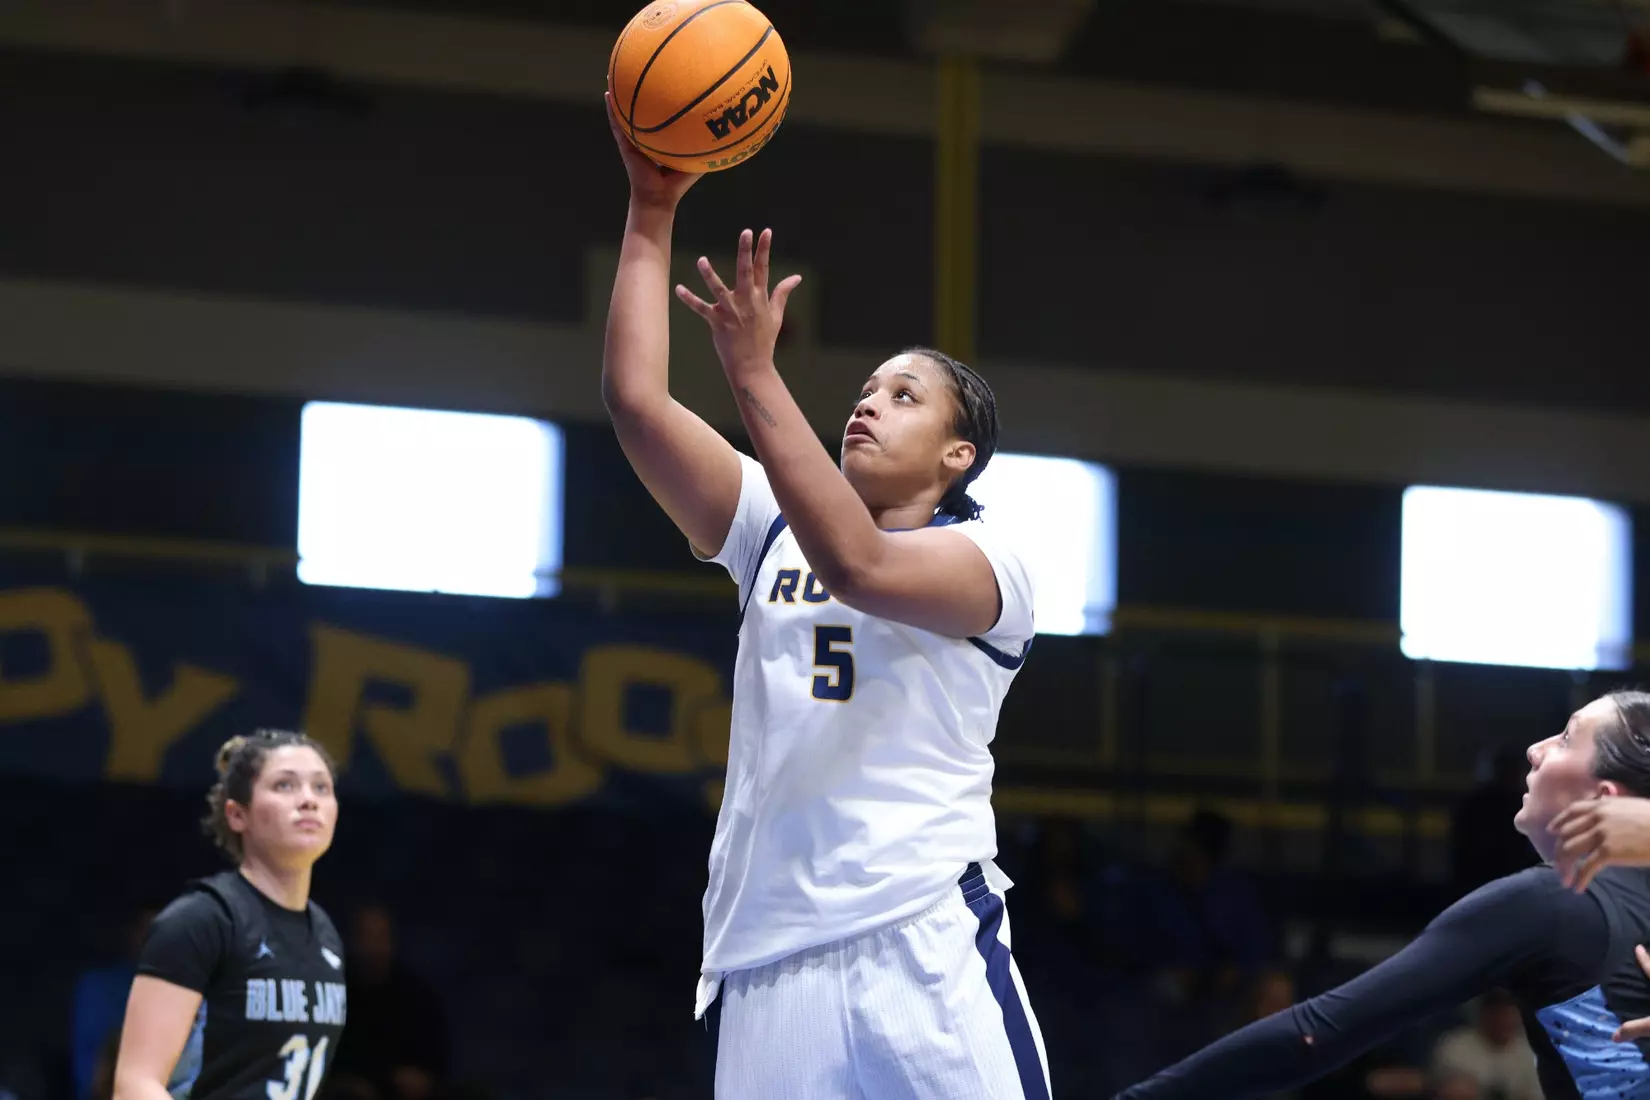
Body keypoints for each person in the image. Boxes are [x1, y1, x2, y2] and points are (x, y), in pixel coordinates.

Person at [600, 93, 1047, 1099]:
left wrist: (755, 373)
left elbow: (860, 568)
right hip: (768, 952)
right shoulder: (768, 525)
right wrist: (651, 210)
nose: (867, 400)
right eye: (865, 387)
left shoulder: (991, 562)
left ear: (957, 452)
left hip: (920, 929)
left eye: (903, 395)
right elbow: (635, 404)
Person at [1111, 690, 1650, 1100]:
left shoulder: (1548, 904)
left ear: (1604, 798)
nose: (1534, 750)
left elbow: (1316, 1033)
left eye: (1564, 738)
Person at [112, 730, 346, 1100]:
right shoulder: (200, 920)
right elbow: (135, 1085)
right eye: (285, 785)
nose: (308, 801)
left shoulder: (325, 934)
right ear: (238, 815)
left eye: (321, 788)